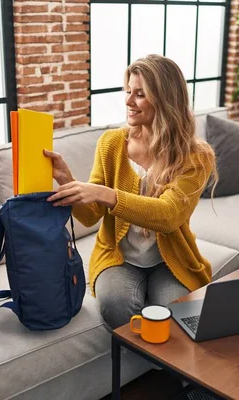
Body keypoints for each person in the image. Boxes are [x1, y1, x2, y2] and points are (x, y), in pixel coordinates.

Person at [44, 54, 217, 329]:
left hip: (169, 259)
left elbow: (169, 215)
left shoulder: (196, 156)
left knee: (180, 319)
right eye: (127, 92)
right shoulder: (111, 144)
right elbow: (90, 217)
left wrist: (108, 194)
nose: (128, 102)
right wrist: (66, 179)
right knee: (116, 307)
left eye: (139, 95)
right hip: (119, 257)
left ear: (165, 99)